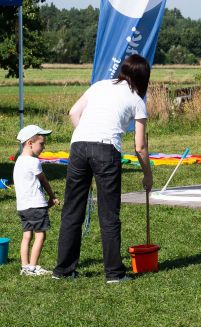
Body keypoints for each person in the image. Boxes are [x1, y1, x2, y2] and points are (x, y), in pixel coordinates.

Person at [53, 54, 155, 282]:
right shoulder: (137, 99)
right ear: (142, 77)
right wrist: (148, 175)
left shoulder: (99, 85)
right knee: (109, 215)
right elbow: (139, 146)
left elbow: (73, 113)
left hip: (78, 147)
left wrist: (87, 137)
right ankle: (114, 274)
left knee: (71, 211)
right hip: (106, 150)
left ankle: (63, 270)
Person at [13, 124, 60, 277]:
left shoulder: (19, 161)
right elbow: (44, 181)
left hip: (23, 206)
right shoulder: (34, 162)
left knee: (27, 235)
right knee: (40, 235)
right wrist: (52, 196)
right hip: (36, 205)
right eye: (41, 143)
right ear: (30, 143)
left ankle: (25, 266)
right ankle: (33, 267)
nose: (44, 147)